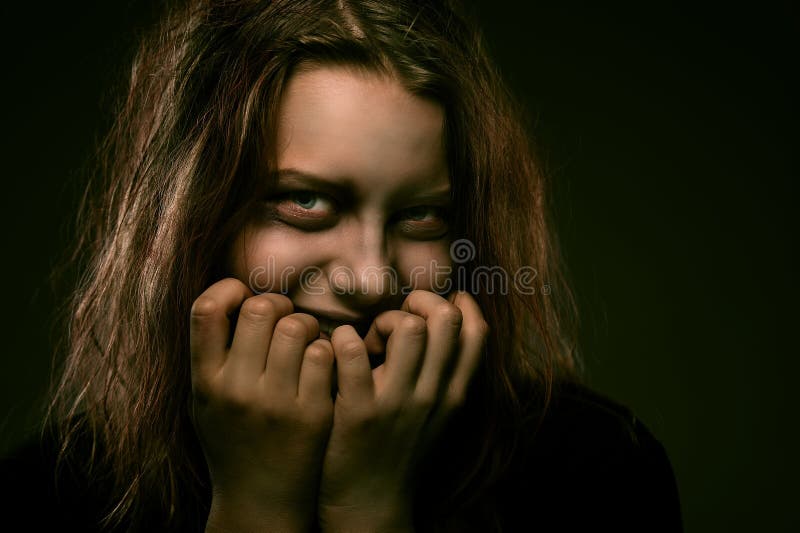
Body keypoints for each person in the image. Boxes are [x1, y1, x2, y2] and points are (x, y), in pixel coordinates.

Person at [0, 0, 682, 531]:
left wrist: (369, 505)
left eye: (422, 217)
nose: (370, 278)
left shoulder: (597, 471)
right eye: (305, 201)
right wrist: (256, 506)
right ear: (193, 217)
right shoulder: (50, 497)